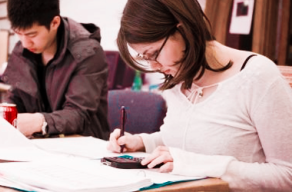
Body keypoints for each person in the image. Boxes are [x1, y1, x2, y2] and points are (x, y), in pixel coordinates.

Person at [107, 0, 292, 191]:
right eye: (144, 58)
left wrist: (198, 164)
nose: (153, 66)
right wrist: (142, 142)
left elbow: (288, 175)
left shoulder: (256, 76)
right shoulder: (178, 77)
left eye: (153, 53)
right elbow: (193, 138)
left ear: (183, 29)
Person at [0, 0, 110, 140]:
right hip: (41, 144)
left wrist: (39, 121)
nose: (25, 43)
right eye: (18, 33)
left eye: (32, 34)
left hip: (82, 146)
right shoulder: (23, 49)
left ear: (54, 23)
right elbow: (17, 99)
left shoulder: (87, 52)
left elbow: (78, 115)